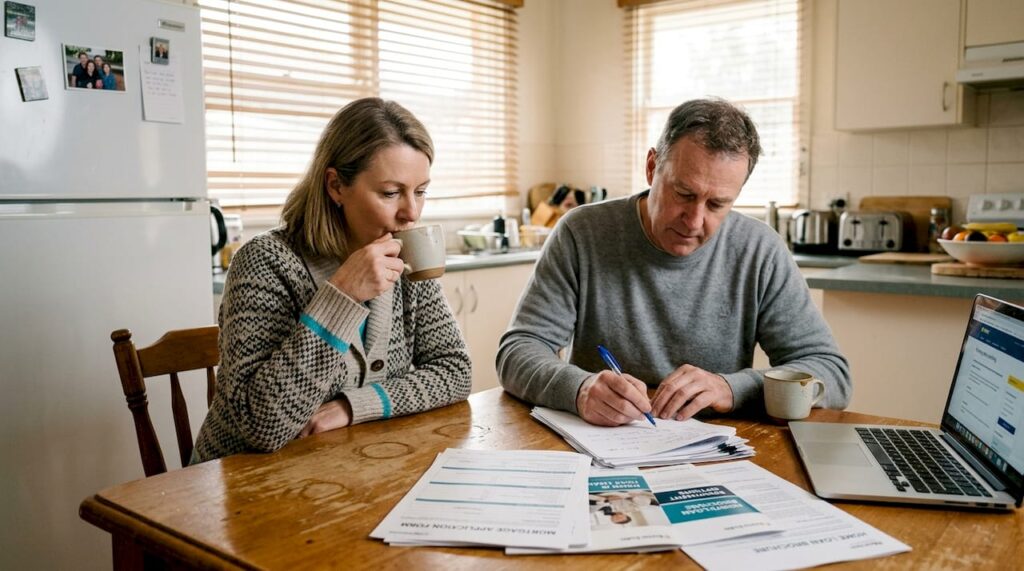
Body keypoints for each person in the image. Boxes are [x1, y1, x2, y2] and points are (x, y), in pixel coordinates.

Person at [497, 98, 851, 427]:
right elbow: (518, 352)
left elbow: (830, 373)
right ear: (652, 168)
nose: (694, 221)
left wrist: (731, 388)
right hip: (598, 446)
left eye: (717, 205)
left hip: (717, 452)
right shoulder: (582, 233)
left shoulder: (760, 250)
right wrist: (579, 389)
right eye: (684, 194)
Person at [192, 98, 472, 462]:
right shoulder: (265, 262)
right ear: (336, 185)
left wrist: (352, 407)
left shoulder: (405, 254)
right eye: (391, 193)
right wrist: (342, 296)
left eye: (420, 191)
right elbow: (261, 426)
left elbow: (454, 371)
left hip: (345, 470)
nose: (411, 213)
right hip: (240, 482)